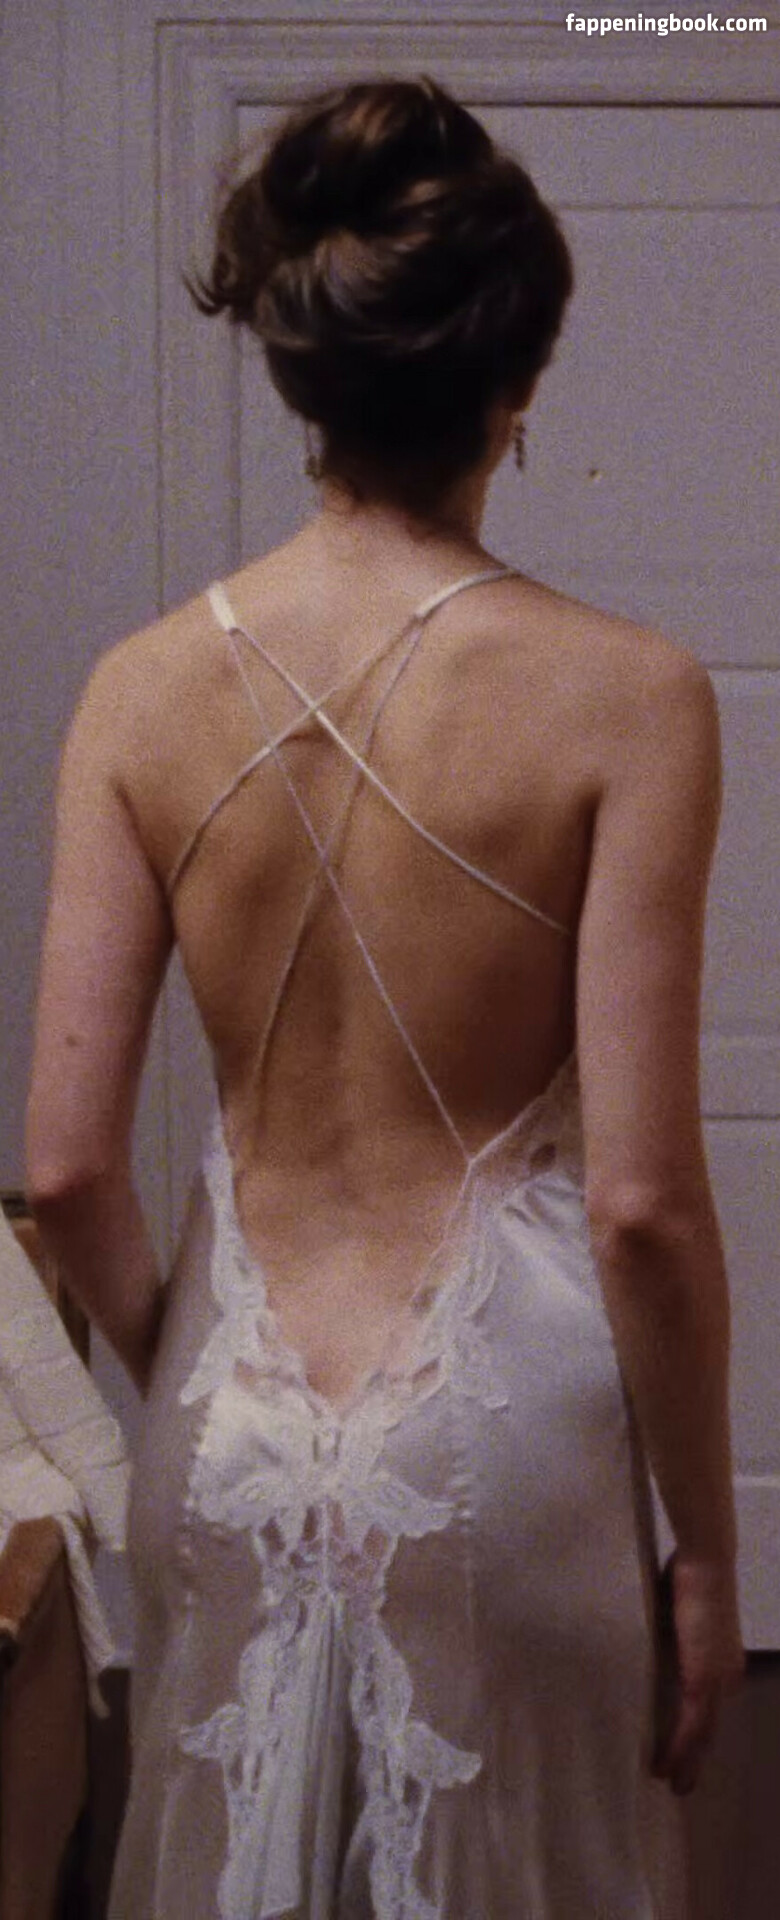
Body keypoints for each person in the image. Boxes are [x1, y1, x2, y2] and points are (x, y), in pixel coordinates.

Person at [26, 76, 743, 1920]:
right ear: (518, 388)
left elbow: (71, 1171)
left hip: (237, 1410)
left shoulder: (136, 694)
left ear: (304, 381)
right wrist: (707, 1553)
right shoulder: (631, 697)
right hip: (512, 1426)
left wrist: (201, 1372)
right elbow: (644, 1206)